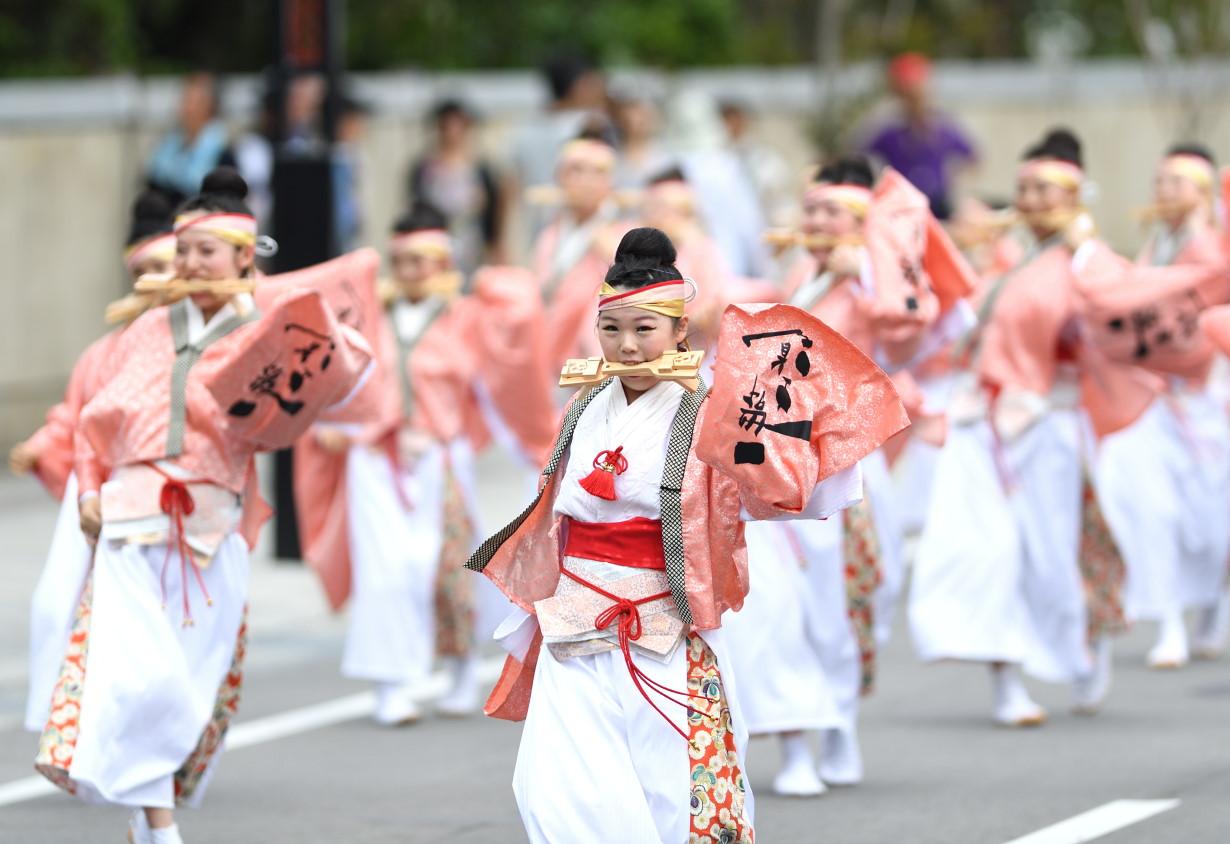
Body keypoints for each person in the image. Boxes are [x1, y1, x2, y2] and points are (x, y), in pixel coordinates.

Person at [466, 227, 906, 842]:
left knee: (671, 787)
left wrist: (771, 413)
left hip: (664, 619)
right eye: (612, 329)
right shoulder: (585, 405)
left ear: (680, 333)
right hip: (573, 613)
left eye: (645, 329)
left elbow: (782, 484)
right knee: (553, 787)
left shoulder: (706, 413)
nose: (626, 345)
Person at [33, 167, 369, 844]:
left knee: (192, 681)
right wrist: (91, 492)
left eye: (204, 251)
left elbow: (349, 364)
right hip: (132, 522)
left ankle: (146, 808)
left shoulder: (272, 328)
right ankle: (160, 825)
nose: (189, 264)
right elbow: (98, 423)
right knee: (143, 676)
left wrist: (269, 306)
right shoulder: (147, 329)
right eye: (182, 251)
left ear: (244, 255)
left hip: (213, 526)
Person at [909, 129, 1144, 725]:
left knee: (1051, 552)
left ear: (1074, 194)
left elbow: (1117, 312)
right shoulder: (1005, 259)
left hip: (1050, 422)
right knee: (988, 551)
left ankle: (1083, 644)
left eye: (1045, 189)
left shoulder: (1088, 259)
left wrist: (1086, 249)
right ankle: (1007, 681)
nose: (1032, 200)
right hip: (979, 421)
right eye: (1024, 189)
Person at [297, 202, 555, 725]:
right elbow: (340, 380)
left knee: (451, 569)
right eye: (404, 260)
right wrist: (336, 426)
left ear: (442, 261)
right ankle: (389, 686)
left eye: (425, 260)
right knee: (386, 574)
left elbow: (515, 337)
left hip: (440, 458)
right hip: (374, 459)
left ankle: (460, 671)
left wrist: (482, 281)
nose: (413, 272)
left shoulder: (465, 318)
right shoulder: (367, 317)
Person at [775, 153, 975, 783]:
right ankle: (794, 745)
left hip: (850, 458)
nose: (818, 220)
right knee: (784, 603)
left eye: (833, 210)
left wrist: (865, 270)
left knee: (855, 593)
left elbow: (919, 321)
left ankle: (839, 720)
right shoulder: (799, 276)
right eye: (811, 208)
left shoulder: (879, 287)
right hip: (783, 457)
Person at [12, 190, 176, 734]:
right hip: (95, 490)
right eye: (144, 268)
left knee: (158, 619)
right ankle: (77, 722)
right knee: (58, 605)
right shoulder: (105, 350)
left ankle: (152, 732)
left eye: (165, 266)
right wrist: (43, 444)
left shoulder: (198, 344)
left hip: (165, 496)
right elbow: (74, 415)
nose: (153, 278)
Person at [1095, 143, 1230, 667]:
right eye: (1160, 184)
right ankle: (1168, 619)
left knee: (1211, 517)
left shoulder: (1212, 250)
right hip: (1153, 399)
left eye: (1177, 184)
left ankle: (1213, 604)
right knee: (1155, 510)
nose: (1164, 194)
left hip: (1207, 396)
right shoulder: (1156, 245)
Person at [530, 133, 630, 379]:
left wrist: (611, 250)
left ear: (611, 181)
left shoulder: (624, 234)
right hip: (553, 354)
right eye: (577, 171)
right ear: (560, 178)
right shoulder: (550, 234)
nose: (588, 181)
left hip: (600, 358)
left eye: (598, 172)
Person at [504, 47, 608, 254]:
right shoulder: (592, 125)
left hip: (537, 231)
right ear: (578, 85)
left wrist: (501, 241)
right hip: (583, 230)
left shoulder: (523, 130)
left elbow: (508, 188)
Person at [860, 53, 977, 221]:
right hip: (901, 207)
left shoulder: (943, 128)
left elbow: (972, 156)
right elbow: (861, 154)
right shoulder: (889, 131)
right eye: (908, 93)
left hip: (938, 206)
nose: (915, 99)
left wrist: (949, 178)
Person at [408, 99, 504, 276]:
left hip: (473, 245)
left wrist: (496, 244)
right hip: (435, 243)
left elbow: (493, 208)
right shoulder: (425, 168)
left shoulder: (480, 167)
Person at [146, 72, 230, 206]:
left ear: (210, 107)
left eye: (193, 101)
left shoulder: (223, 152)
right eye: (184, 100)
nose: (185, 107)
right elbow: (153, 187)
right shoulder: (167, 147)